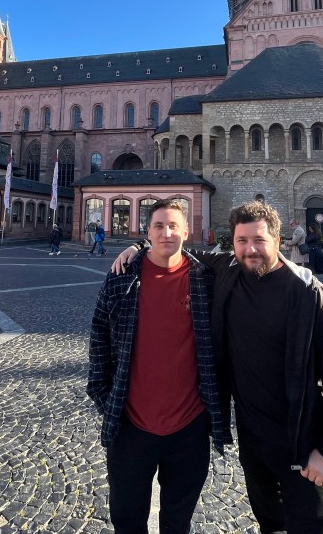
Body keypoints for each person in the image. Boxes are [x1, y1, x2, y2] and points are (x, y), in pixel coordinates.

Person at [112, 201, 323, 534]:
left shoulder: (309, 294)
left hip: (302, 443)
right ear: (232, 243)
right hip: (253, 441)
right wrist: (139, 246)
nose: (250, 250)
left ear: (277, 240)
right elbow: (175, 245)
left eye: (259, 240)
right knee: (270, 524)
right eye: (242, 241)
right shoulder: (230, 270)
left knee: (310, 526)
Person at [88, 199, 230, 533]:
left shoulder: (205, 279)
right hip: (130, 426)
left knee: (177, 523)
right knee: (127, 521)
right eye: (158, 226)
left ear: (186, 231)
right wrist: (104, 398)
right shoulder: (122, 278)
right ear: (147, 231)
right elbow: (99, 337)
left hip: (189, 428)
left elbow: (254, 255)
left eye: (173, 226)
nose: (166, 233)